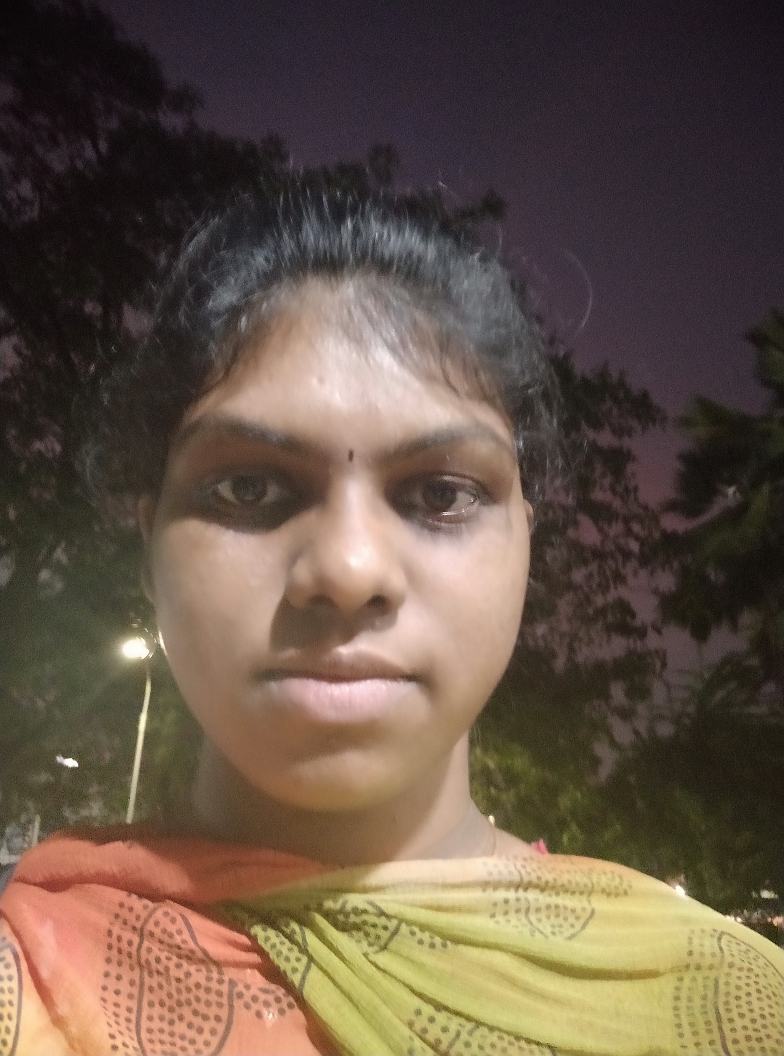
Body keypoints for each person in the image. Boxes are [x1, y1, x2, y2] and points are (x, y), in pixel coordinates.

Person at [1, 185, 781, 1056]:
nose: (348, 570)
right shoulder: (25, 986)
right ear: (149, 548)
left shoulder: (732, 1002)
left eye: (441, 494)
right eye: (249, 488)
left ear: (526, 542)